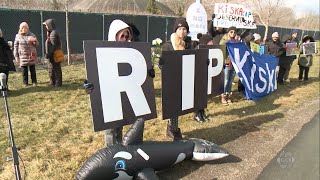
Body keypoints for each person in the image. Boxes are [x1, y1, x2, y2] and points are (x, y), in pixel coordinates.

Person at [160, 17, 192, 141]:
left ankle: (172, 127)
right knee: (172, 105)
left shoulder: (189, 45)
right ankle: (172, 129)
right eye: (180, 29)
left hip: (183, 79)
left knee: (178, 105)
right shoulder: (168, 45)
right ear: (175, 30)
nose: (182, 31)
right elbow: (161, 63)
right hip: (171, 80)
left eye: (184, 29)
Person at [219, 26, 250, 105]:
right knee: (225, 81)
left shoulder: (236, 40)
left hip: (234, 64)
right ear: (228, 32)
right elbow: (221, 49)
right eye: (231, 32)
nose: (233, 34)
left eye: (234, 32)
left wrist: (237, 42)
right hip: (227, 63)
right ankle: (223, 96)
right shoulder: (224, 40)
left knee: (231, 80)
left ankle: (228, 95)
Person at [13, 22, 39, 87]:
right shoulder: (18, 36)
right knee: (24, 71)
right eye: (22, 28)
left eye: (25, 27)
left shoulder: (32, 34)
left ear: (28, 28)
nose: (24, 29)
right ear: (20, 28)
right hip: (22, 56)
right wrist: (16, 57)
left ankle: (34, 82)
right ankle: (25, 83)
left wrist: (34, 41)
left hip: (31, 55)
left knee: (32, 69)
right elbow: (15, 47)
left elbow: (37, 44)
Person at [43, 18, 63, 87]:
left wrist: (49, 54)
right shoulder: (51, 32)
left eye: (46, 25)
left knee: (56, 69)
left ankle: (58, 83)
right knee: (51, 69)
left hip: (54, 55)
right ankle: (52, 82)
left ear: (49, 25)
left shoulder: (53, 33)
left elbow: (53, 45)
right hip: (52, 54)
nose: (45, 27)